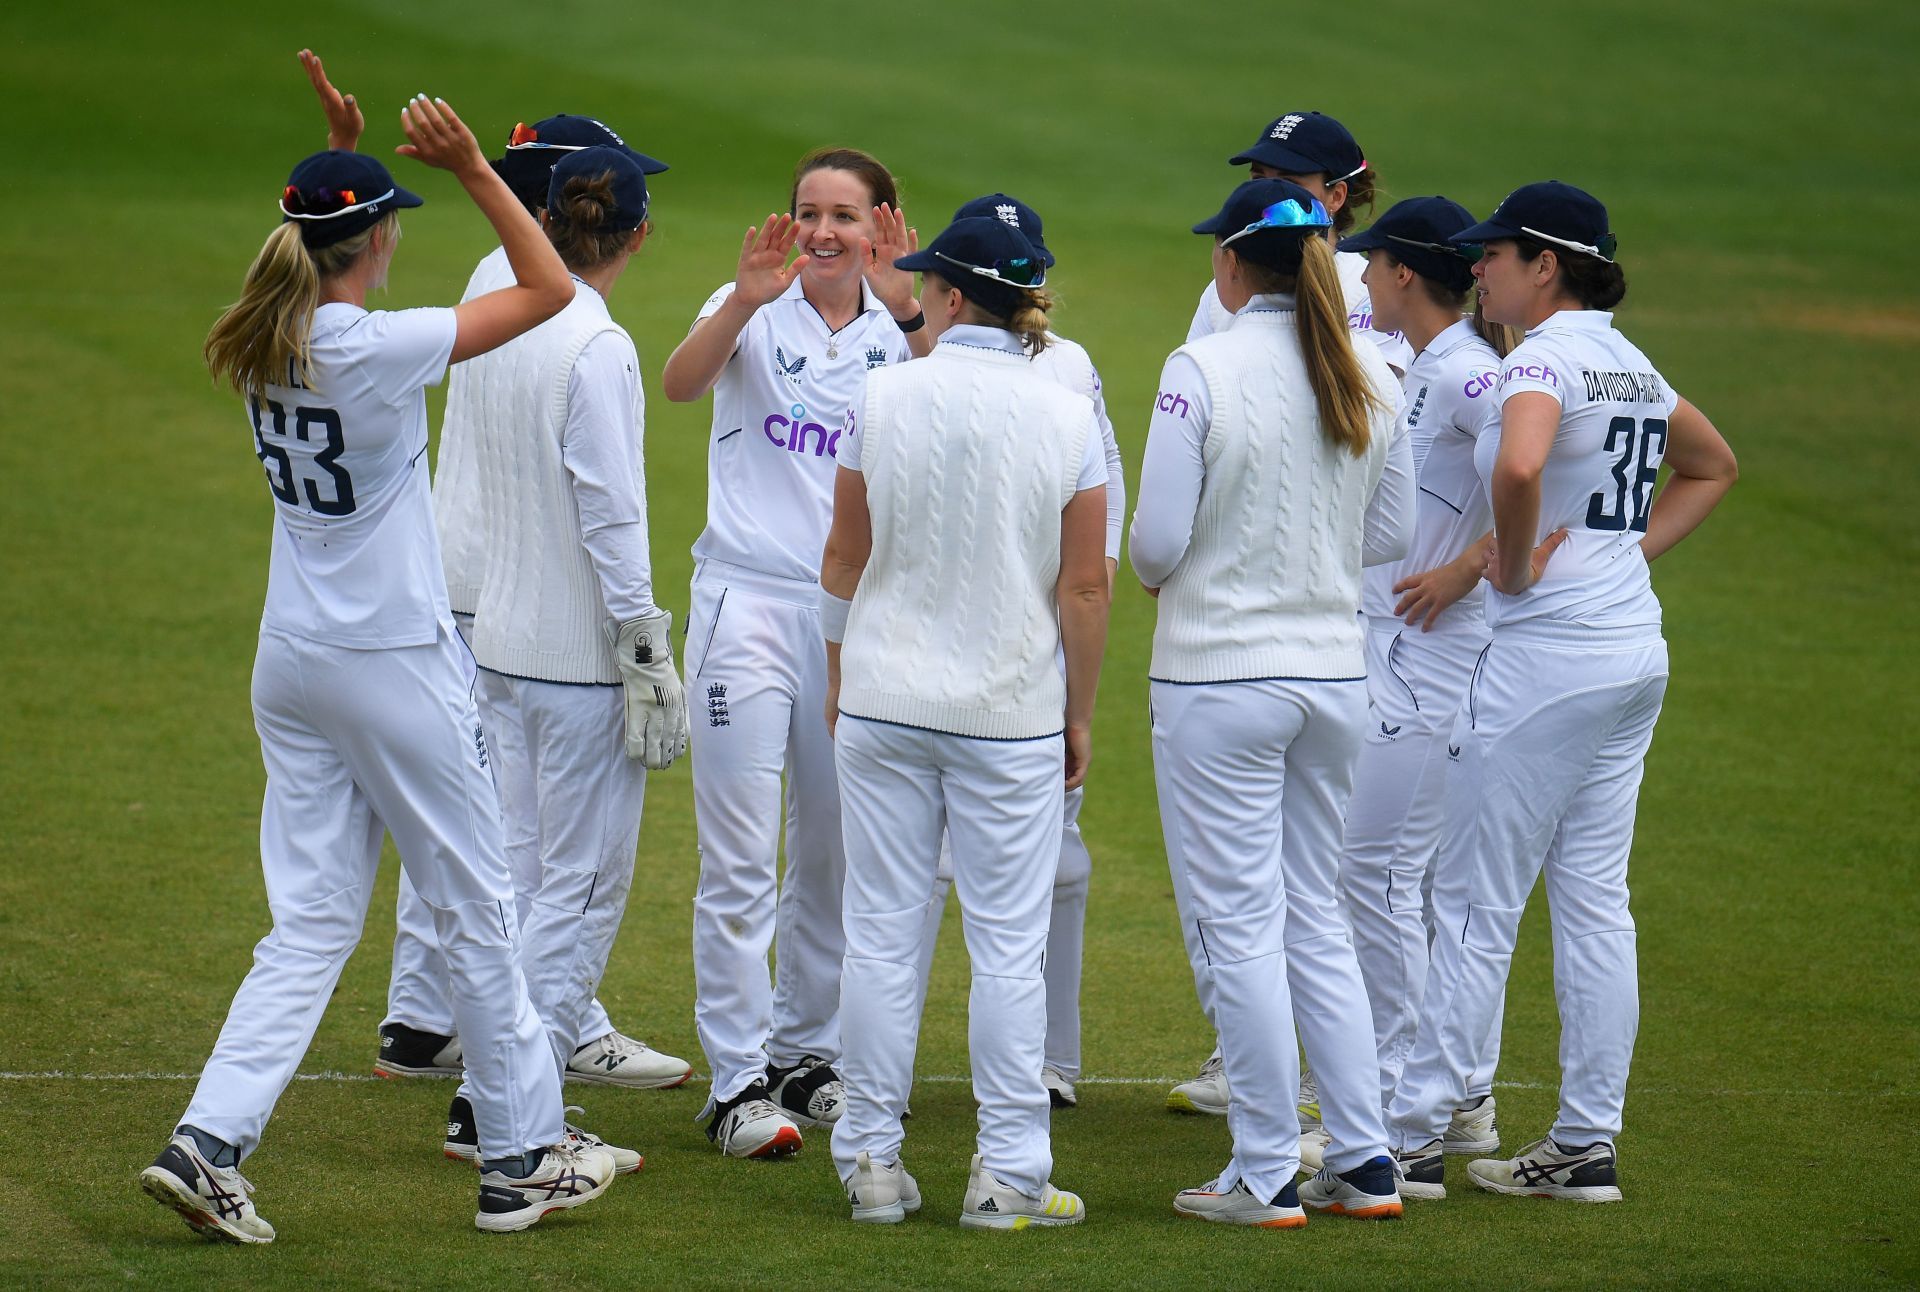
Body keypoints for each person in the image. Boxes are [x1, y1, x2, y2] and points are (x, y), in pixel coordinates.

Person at [139, 85, 616, 1243]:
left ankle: (207, 1141)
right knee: (479, 909)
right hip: (394, 662)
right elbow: (551, 289)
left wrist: (340, 162)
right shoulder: (373, 342)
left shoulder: (266, 332)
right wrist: (469, 170)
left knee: (305, 926)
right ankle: (519, 1161)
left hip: (293, 659)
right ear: (378, 241)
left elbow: (313, 243)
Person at [1384, 181, 1737, 1202]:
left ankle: (1408, 1138)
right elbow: (1712, 465)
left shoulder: (1540, 357)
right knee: (1594, 899)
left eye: (1497, 253)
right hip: (1630, 655)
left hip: (1547, 661)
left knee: (1473, 899)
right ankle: (1585, 1138)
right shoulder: (1630, 360)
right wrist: (1619, 555)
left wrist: (1521, 567)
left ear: (1549, 265)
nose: (1481, 267)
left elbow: (1524, 459)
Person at [369, 100, 690, 1093]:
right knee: (579, 887)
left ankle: (485, 1067)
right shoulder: (595, 345)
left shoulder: (498, 289)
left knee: (507, 865)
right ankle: (509, 1097)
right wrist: (645, 644)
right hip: (569, 656)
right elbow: (611, 514)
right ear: (634, 234)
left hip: (501, 633)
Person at [1131, 179, 1411, 1227]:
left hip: (1219, 678)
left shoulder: (1200, 365)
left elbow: (1156, 542)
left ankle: (1260, 1166)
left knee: (1242, 922)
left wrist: (1203, 560)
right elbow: (1387, 535)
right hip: (1333, 676)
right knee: (1314, 918)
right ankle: (1366, 1155)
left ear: (1233, 264)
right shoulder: (1370, 365)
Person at [821, 216, 1108, 1227]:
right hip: (1010, 713)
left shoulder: (880, 393)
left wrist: (838, 671)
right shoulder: (1067, 412)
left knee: (882, 938)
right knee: (1007, 947)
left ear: (946, 296)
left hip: (886, 701)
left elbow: (844, 562)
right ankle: (1009, 1174)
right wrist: (1078, 714)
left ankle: (869, 1164)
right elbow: (1085, 587)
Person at [661, 147, 927, 1158]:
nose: (823, 231)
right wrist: (740, 299)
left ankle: (802, 1051)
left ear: (884, 228)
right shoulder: (750, 308)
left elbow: (956, 420)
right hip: (746, 607)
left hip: (852, 621)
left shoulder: (908, 331)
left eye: (845, 215)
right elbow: (682, 383)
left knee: (832, 847)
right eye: (808, 211)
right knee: (737, 856)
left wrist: (908, 313)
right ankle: (735, 1084)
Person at [909, 193, 1124, 1111]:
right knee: (916, 872)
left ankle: (1048, 1061)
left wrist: (1070, 647)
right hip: (949, 648)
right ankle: (879, 1078)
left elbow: (1100, 526)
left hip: (1023, 652)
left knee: (1048, 865)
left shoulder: (1070, 370)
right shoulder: (917, 356)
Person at [1317, 196, 1517, 1163]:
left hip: (1438, 653)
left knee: (1380, 875)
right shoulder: (1431, 368)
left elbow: (1550, 479)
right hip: (1397, 647)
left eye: (1373, 261)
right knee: (1402, 879)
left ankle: (1407, 1115)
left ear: (1403, 274)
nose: (1360, 275)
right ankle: (1453, 1095)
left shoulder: (1476, 377)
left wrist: (1468, 565)